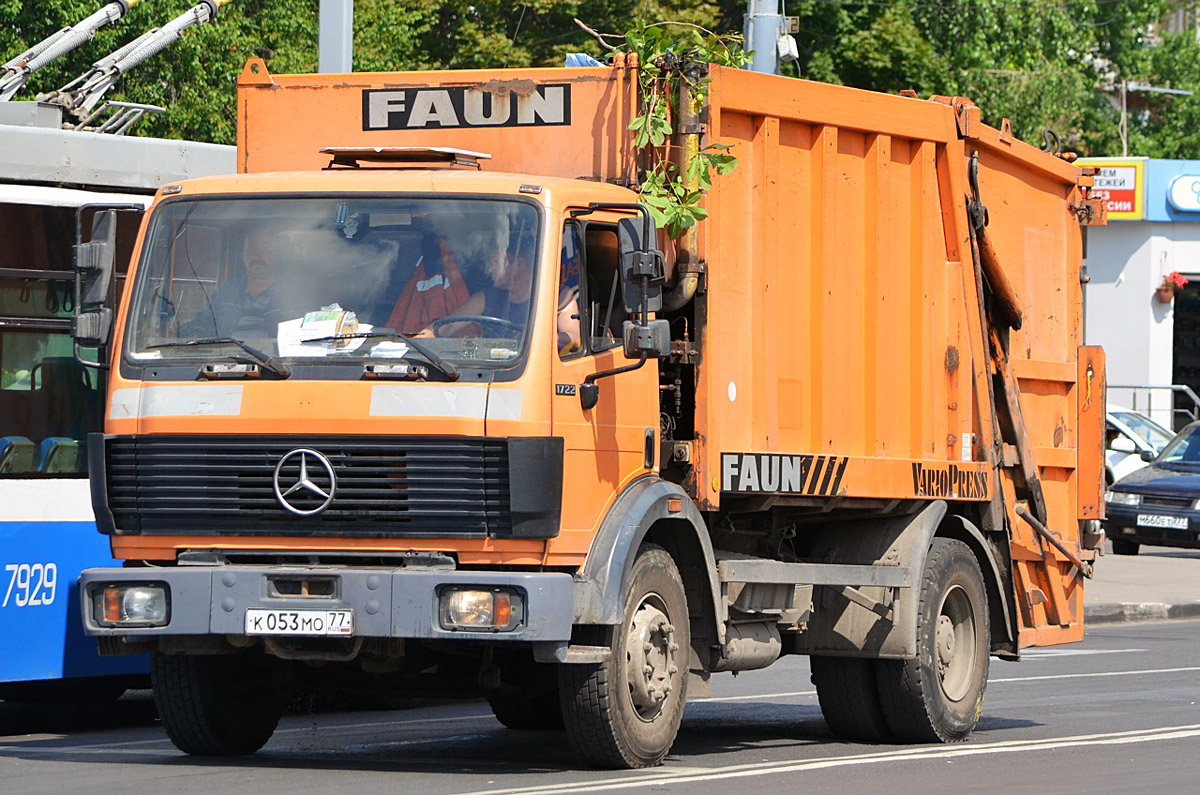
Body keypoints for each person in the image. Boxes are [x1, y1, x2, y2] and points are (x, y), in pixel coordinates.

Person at [184, 227, 288, 338]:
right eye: (251, 249)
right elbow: (200, 327)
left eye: (265, 249)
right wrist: (178, 333)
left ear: (278, 256)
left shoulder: (293, 297)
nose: (257, 255)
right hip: (228, 356)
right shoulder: (225, 294)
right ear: (243, 256)